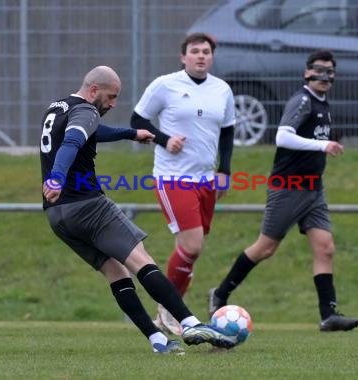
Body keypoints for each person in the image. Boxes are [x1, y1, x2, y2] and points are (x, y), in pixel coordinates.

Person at [40, 65, 237, 354]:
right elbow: (74, 140)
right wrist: (56, 177)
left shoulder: (57, 108)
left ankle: (158, 341)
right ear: (94, 90)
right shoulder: (87, 110)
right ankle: (190, 322)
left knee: (115, 271)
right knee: (141, 260)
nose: (113, 104)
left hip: (58, 215)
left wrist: (131, 134)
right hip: (88, 205)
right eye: (110, 97)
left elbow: (90, 133)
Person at [208, 51, 358, 332]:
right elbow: (283, 136)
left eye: (330, 72)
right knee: (265, 248)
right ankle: (220, 293)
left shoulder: (324, 105)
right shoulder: (302, 100)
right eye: (319, 70)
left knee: (325, 248)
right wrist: (323, 146)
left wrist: (326, 144)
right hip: (289, 187)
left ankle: (328, 315)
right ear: (307, 73)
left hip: (314, 189)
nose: (324, 76)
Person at [131, 33, 236, 336]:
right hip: (172, 177)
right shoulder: (166, 85)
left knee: (190, 251)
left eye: (206, 51)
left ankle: (165, 313)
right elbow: (136, 120)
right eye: (195, 51)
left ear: (212, 57)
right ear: (183, 57)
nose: (201, 56)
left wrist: (224, 170)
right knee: (192, 245)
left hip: (206, 179)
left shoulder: (222, 90)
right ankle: (171, 310)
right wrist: (164, 140)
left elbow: (227, 132)